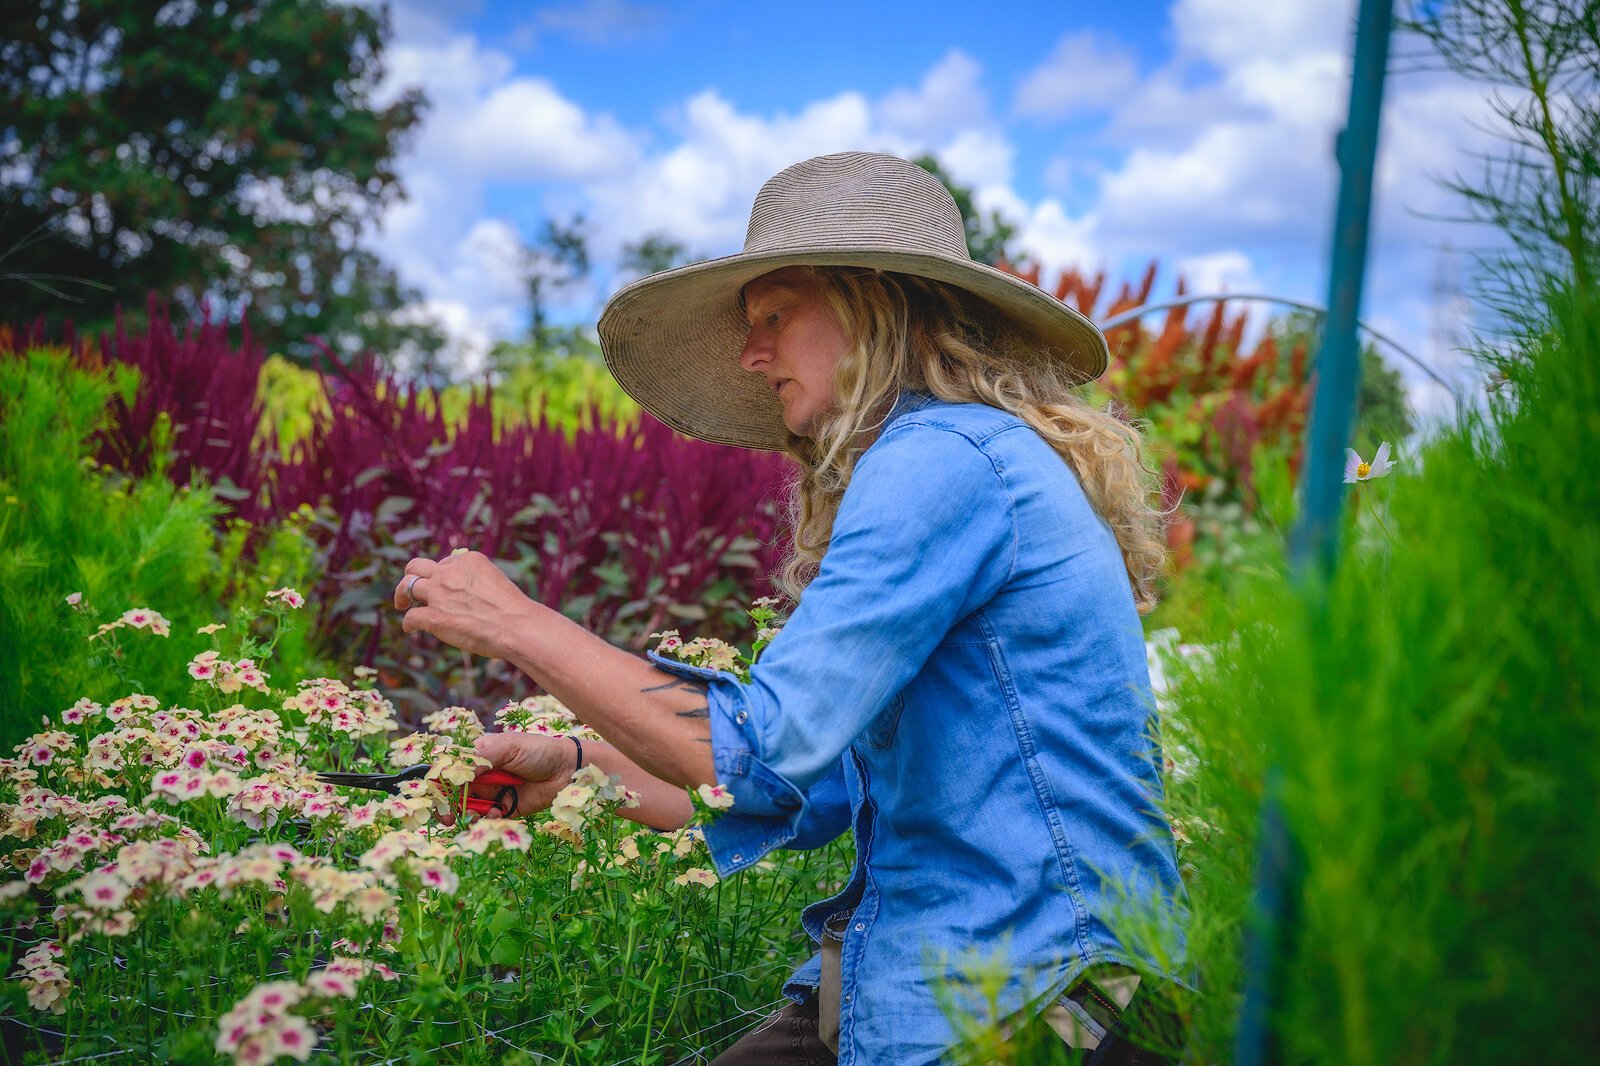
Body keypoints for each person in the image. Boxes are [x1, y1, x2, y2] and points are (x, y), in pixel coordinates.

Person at [393, 152, 1185, 1065]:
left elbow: (760, 756)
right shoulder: (962, 457)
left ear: (873, 302)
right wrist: (576, 769)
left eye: (776, 314)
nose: (750, 351)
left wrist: (511, 620)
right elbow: (815, 788)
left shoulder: (945, 458)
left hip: (1036, 997)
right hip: (948, 980)